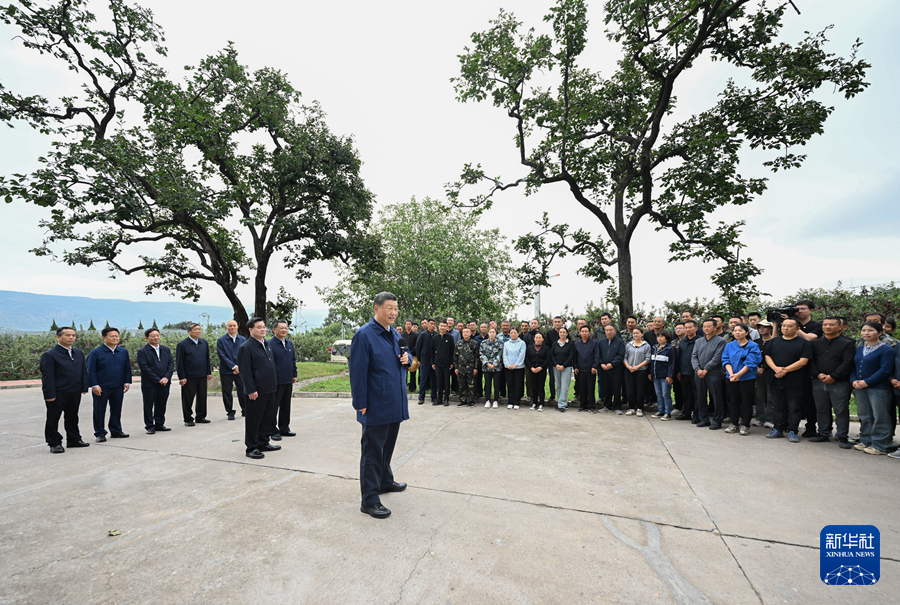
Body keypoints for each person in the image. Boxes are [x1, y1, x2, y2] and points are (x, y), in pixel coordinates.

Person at [348, 293, 411, 520]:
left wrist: (408, 359)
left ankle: (385, 481)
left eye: (396, 308)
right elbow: (357, 372)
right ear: (377, 308)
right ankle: (370, 500)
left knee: (387, 447)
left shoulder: (394, 333)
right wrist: (360, 403)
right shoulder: (365, 335)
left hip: (394, 402)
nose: (393, 312)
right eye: (389, 308)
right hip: (375, 404)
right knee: (373, 452)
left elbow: (406, 355)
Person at [807, 316, 855, 448]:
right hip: (818, 381)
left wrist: (834, 376)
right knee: (821, 408)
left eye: (832, 325)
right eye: (825, 324)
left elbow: (847, 362)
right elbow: (811, 361)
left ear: (840, 327)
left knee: (841, 410)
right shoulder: (815, 343)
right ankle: (823, 433)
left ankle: (842, 436)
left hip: (839, 382)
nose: (827, 327)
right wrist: (817, 374)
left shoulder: (847, 343)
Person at [40, 326, 90, 453]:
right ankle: (54, 443)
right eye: (68, 335)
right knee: (53, 418)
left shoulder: (78, 353)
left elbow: (83, 371)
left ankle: (74, 439)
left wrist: (84, 386)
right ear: (58, 337)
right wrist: (49, 394)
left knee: (72, 416)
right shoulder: (50, 355)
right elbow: (47, 376)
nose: (71, 337)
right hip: (57, 392)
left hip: (74, 391)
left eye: (73, 335)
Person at [851, 321, 896, 455]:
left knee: (880, 416)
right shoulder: (860, 348)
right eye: (864, 330)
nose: (866, 333)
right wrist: (853, 381)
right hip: (859, 387)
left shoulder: (886, 349)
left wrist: (867, 382)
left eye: (870, 330)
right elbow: (853, 367)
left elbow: (885, 370)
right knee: (865, 415)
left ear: (880, 333)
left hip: (879, 388)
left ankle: (881, 444)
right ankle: (866, 440)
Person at [764, 317, 812, 442]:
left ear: (797, 328)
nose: (785, 328)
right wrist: (776, 369)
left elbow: (803, 361)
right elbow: (767, 356)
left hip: (795, 380)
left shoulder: (804, 343)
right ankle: (778, 429)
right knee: (777, 406)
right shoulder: (774, 342)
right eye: (784, 325)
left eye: (789, 326)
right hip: (775, 378)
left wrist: (784, 370)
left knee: (794, 407)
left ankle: (792, 431)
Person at [238, 318, 280, 460]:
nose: (263, 329)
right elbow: (245, 371)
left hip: (270, 388)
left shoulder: (266, 344)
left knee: (267, 417)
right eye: (259, 327)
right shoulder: (246, 347)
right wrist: (251, 389)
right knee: (254, 420)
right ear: (251, 330)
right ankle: (251, 447)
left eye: (264, 327)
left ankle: (263, 442)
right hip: (256, 390)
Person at [86, 326, 132, 442]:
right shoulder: (96, 352)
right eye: (112, 336)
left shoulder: (122, 352)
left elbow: (127, 368)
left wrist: (127, 382)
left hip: (118, 386)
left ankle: (116, 430)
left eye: (116, 336)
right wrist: (95, 385)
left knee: (116, 409)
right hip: (102, 387)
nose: (115, 338)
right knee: (99, 410)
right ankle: (100, 433)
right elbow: (91, 370)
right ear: (104, 338)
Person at [721, 324, 762, 435]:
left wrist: (738, 375)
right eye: (735, 330)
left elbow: (752, 362)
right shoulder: (729, 345)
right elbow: (725, 360)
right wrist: (731, 374)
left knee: (746, 402)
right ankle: (734, 423)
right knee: (734, 401)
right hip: (732, 378)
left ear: (747, 332)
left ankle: (745, 425)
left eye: (740, 330)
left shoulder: (753, 346)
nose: (737, 332)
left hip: (747, 378)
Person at [137, 327, 174, 435]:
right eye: (153, 336)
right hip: (150, 384)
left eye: (157, 335)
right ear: (147, 338)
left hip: (165, 382)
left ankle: (159, 424)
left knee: (161, 404)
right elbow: (144, 368)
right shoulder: (142, 351)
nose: (156, 338)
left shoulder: (165, 349)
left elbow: (171, 364)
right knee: (148, 405)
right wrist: (158, 380)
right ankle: (149, 426)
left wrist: (166, 377)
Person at [691, 319, 726, 429]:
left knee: (716, 397)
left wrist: (705, 370)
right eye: (704, 326)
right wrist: (698, 370)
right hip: (699, 373)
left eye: (709, 326)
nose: (706, 328)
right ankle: (704, 419)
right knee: (700, 396)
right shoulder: (698, 341)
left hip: (713, 374)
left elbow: (717, 358)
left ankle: (717, 420)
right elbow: (694, 356)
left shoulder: (721, 341)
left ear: (715, 327)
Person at [176, 323, 212, 426]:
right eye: (195, 329)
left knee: (202, 397)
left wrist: (208, 372)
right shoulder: (182, 344)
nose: (198, 331)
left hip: (202, 375)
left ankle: (200, 417)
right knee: (188, 398)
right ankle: (188, 419)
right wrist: (182, 377)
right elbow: (179, 362)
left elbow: (207, 359)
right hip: (189, 376)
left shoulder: (203, 343)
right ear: (189, 331)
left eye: (199, 329)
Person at [268, 320, 298, 439]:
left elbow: (293, 360)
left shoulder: (289, 343)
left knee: (286, 406)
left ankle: (284, 428)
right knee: (273, 406)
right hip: (276, 381)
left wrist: (294, 374)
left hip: (287, 379)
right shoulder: (269, 344)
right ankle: (272, 430)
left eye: (286, 328)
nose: (284, 330)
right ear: (274, 329)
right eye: (281, 328)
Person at [217, 320, 247, 420]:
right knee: (227, 392)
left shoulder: (242, 339)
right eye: (230, 326)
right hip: (226, 371)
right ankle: (230, 412)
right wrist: (233, 367)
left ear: (237, 327)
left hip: (241, 370)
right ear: (226, 328)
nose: (232, 327)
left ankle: (245, 409)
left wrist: (239, 367)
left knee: (243, 390)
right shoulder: (221, 340)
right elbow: (222, 355)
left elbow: (245, 354)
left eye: (234, 325)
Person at [753, 320, 777, 428]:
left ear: (771, 328)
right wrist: (757, 367)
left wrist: (764, 367)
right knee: (759, 395)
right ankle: (759, 418)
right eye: (760, 327)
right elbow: (751, 356)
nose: (762, 329)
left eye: (765, 327)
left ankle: (769, 419)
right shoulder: (755, 342)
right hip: (757, 372)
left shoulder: (774, 341)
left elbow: (774, 357)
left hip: (770, 371)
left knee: (770, 396)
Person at [649, 330, 677, 420]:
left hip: (665, 376)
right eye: (658, 336)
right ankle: (660, 410)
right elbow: (652, 362)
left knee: (666, 394)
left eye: (662, 336)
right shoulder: (654, 347)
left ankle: (667, 412)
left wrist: (670, 375)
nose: (659, 338)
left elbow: (672, 363)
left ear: (666, 338)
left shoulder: (670, 348)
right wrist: (650, 373)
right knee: (658, 393)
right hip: (656, 375)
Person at [623, 327, 651, 416]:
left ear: (642, 334)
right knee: (630, 390)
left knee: (640, 390)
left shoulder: (646, 345)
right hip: (629, 370)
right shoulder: (629, 345)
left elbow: (648, 358)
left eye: (637, 333)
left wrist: (637, 367)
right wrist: (628, 366)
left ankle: (639, 408)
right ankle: (631, 408)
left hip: (641, 371)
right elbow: (625, 357)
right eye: (634, 333)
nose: (635, 335)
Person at [598, 324, 625, 414]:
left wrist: (612, 364)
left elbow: (621, 355)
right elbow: (599, 354)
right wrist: (601, 363)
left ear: (615, 331)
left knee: (616, 388)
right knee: (606, 387)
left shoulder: (620, 342)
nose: (608, 332)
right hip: (604, 369)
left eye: (610, 330)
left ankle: (617, 407)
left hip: (616, 369)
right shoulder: (601, 342)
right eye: (607, 330)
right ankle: (607, 405)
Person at [573, 325, 600, 412]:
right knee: (582, 388)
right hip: (580, 369)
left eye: (586, 331)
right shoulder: (577, 344)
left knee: (590, 388)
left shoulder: (594, 343)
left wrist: (594, 366)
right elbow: (575, 357)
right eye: (582, 331)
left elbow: (596, 355)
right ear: (580, 333)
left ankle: (591, 406)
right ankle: (582, 405)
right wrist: (575, 367)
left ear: (589, 333)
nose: (584, 333)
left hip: (590, 369)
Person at [676, 320, 699, 422]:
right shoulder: (682, 342)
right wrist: (679, 371)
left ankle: (697, 415)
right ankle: (686, 413)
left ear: (696, 328)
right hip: (684, 372)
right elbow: (679, 357)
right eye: (686, 328)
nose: (688, 329)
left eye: (690, 327)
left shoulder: (700, 341)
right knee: (686, 394)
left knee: (697, 395)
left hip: (696, 372)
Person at [550, 326, 575, 411]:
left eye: (564, 332)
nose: (562, 334)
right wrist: (556, 365)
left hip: (566, 367)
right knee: (558, 386)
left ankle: (562, 405)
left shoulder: (570, 344)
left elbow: (571, 356)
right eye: (561, 332)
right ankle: (560, 402)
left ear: (567, 334)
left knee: (564, 386)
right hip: (556, 367)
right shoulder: (555, 343)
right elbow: (552, 355)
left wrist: (563, 365)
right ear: (559, 333)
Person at [454, 327, 480, 407]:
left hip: (471, 368)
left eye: (467, 332)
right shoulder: (459, 343)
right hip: (461, 368)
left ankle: (471, 400)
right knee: (462, 384)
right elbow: (455, 356)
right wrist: (456, 367)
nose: (465, 333)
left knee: (471, 384)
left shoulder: (474, 343)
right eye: (464, 332)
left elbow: (477, 356)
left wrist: (476, 368)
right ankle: (463, 400)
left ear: (470, 333)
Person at [432, 321, 455, 406]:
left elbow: (452, 351)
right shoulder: (435, 338)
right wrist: (433, 362)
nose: (442, 327)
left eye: (444, 326)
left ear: (446, 328)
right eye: (441, 326)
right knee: (439, 382)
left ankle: (446, 399)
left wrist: (452, 362)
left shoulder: (450, 338)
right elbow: (432, 351)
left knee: (446, 382)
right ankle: (439, 399)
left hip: (447, 363)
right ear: (438, 327)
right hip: (437, 363)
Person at [502, 328, 526, 409]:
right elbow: (504, 355)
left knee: (517, 385)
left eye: (514, 333)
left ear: (518, 334)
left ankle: (517, 402)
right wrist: (507, 364)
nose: (513, 334)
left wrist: (516, 364)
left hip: (519, 367)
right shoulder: (506, 344)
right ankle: (510, 402)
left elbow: (522, 354)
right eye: (511, 333)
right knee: (510, 385)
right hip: (508, 367)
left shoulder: (522, 343)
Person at [480, 328, 504, 408]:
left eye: (493, 332)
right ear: (488, 333)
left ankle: (496, 400)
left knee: (496, 384)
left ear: (496, 333)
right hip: (486, 367)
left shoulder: (500, 343)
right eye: (490, 332)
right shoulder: (483, 343)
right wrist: (487, 363)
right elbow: (481, 353)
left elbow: (500, 354)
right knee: (487, 384)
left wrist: (494, 364)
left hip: (497, 367)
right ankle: (487, 400)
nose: (492, 334)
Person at [526, 332, 550, 411]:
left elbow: (547, 359)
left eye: (540, 338)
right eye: (536, 337)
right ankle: (534, 403)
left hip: (541, 370)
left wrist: (541, 367)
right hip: (532, 370)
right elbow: (527, 359)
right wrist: (531, 367)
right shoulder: (530, 348)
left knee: (541, 387)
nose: (538, 339)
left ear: (543, 339)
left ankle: (541, 404)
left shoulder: (546, 348)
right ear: (534, 339)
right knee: (534, 387)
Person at [416, 318, 436, 404]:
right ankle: (421, 397)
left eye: (434, 324)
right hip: (424, 360)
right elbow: (417, 347)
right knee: (423, 379)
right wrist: (419, 359)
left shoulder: (436, 335)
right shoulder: (423, 334)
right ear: (427, 324)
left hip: (434, 361)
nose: (432, 325)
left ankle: (434, 396)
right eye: (431, 324)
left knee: (434, 380)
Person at [546, 316, 563, 404]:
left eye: (559, 322)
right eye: (555, 322)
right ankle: (552, 395)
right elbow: (547, 346)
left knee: (562, 379)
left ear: (562, 323)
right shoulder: (550, 333)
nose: (557, 323)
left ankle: (562, 396)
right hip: (552, 359)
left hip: (563, 359)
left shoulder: (564, 332)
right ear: (553, 323)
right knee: (552, 379)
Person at [406, 321, 419, 393]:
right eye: (407, 324)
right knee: (404, 372)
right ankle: (404, 386)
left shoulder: (415, 335)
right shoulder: (403, 335)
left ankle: (413, 387)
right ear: (405, 325)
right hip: (404, 355)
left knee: (413, 372)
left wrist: (410, 352)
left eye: (409, 324)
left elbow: (416, 345)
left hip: (413, 356)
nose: (408, 325)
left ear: (411, 326)